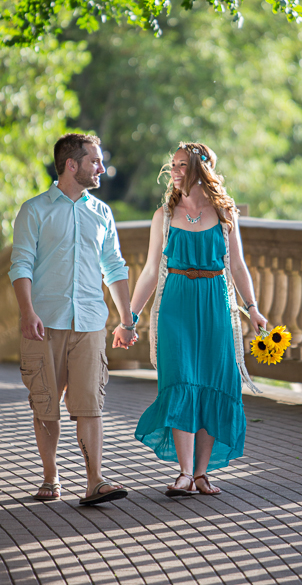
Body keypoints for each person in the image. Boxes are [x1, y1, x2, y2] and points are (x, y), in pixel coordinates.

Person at [113, 142, 265, 496]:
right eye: (173, 165)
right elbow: (151, 271)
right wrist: (129, 318)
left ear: (201, 168)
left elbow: (238, 266)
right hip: (176, 306)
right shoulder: (163, 215)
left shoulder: (225, 213)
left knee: (214, 383)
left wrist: (253, 307)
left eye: (182, 165)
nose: (174, 171)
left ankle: (201, 473)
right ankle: (183, 473)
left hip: (215, 304)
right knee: (180, 380)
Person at [9, 133, 136, 505]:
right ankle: (50, 476)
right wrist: (27, 312)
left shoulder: (102, 213)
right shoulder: (34, 210)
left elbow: (114, 266)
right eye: (94, 161)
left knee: (90, 403)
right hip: (45, 321)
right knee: (46, 403)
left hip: (91, 322)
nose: (101, 168)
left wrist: (126, 320)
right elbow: (20, 265)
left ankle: (95, 480)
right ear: (72, 164)